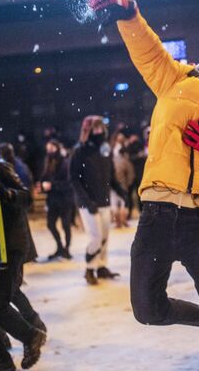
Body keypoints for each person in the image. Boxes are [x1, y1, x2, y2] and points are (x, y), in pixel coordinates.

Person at [88, 0, 199, 371]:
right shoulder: (178, 80)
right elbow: (147, 49)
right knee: (147, 309)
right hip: (157, 214)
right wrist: (129, 13)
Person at [0, 156, 47, 371]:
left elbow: (26, 197)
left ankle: (31, 335)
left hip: (8, 245)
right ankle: (0, 356)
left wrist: (7, 194)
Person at [70, 115, 123, 285]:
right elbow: (74, 179)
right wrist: (86, 201)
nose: (99, 131)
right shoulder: (80, 150)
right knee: (96, 237)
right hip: (88, 203)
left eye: (100, 128)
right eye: (95, 128)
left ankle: (101, 267)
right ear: (88, 130)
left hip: (104, 200)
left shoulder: (105, 149)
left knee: (105, 236)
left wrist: (122, 191)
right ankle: (89, 268)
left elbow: (111, 176)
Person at [40, 139, 74, 260]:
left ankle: (67, 249)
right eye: (48, 149)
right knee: (51, 224)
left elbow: (68, 183)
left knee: (66, 225)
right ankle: (60, 247)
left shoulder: (65, 163)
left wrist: (52, 185)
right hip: (53, 199)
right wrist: (43, 185)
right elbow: (44, 177)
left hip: (65, 199)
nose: (49, 152)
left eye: (51, 149)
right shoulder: (48, 162)